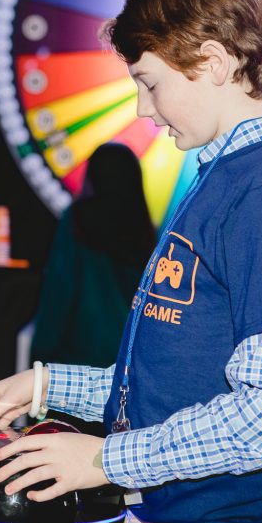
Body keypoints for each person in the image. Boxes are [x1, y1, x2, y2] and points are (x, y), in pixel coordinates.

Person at [0, 0, 262, 523]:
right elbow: (168, 385)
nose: (144, 108)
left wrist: (105, 459)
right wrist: (47, 385)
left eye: (149, 82)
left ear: (212, 62)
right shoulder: (221, 180)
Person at [30, 142, 156, 367]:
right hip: (130, 355)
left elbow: (60, 288)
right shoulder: (144, 227)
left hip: (80, 352)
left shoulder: (78, 219)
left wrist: (41, 351)